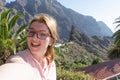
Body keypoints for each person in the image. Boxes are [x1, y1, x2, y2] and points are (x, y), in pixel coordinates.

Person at [0, 13, 57, 80]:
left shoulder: (51, 63)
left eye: (42, 34)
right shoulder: (19, 61)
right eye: (31, 32)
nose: (34, 38)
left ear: (51, 41)